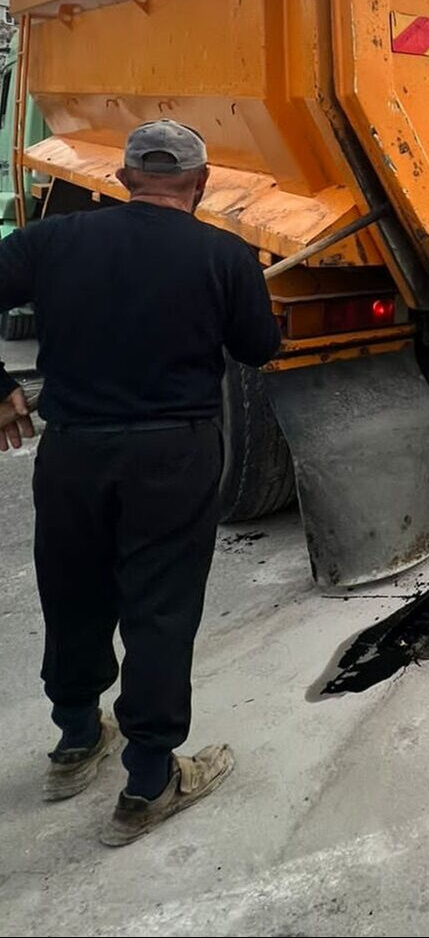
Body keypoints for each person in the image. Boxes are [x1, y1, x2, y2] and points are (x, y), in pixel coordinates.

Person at [0, 121, 281, 846]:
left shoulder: (54, 243)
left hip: (72, 452)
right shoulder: (223, 254)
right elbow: (259, 348)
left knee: (72, 590)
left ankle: (72, 741)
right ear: (202, 182)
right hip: (172, 458)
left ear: (121, 178)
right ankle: (148, 780)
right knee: (158, 607)